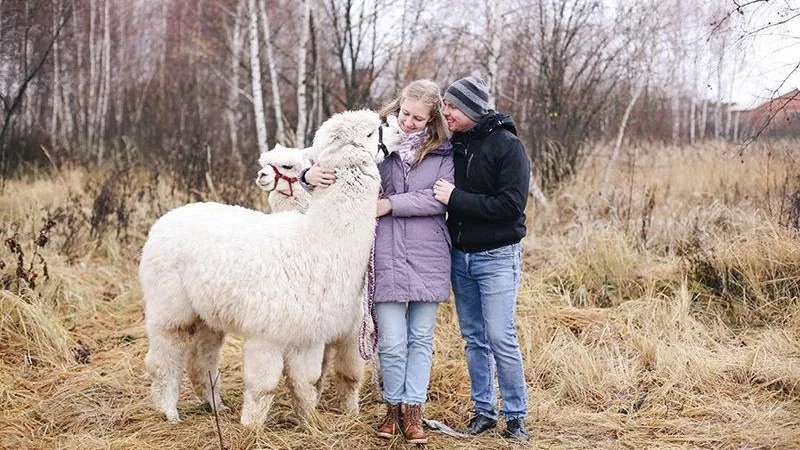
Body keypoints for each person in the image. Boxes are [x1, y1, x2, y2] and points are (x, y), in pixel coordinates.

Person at [304, 79, 454, 445]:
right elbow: (333, 161)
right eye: (405, 113)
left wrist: (389, 204)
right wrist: (309, 176)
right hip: (383, 252)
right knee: (390, 340)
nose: (409, 122)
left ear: (433, 118)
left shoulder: (445, 154)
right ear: (397, 107)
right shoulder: (374, 139)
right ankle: (391, 408)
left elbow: (437, 200)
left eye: (419, 118)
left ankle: (413, 411)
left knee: (420, 338)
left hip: (427, 253)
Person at [432, 76, 531, 442]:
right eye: (445, 105)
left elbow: (510, 206)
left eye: (453, 107)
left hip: (497, 258)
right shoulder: (454, 144)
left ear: (472, 109)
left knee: (500, 336)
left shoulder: (508, 147)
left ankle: (516, 416)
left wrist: (456, 198)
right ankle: (484, 412)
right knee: (474, 338)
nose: (447, 113)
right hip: (461, 258)